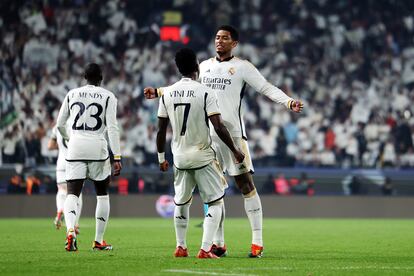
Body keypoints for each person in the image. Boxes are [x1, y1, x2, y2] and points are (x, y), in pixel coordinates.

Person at [145, 25, 303, 258]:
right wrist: (158, 91)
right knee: (213, 192)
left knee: (245, 185)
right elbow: (185, 85)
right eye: (217, 37)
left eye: (225, 38)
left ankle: (257, 241)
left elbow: (266, 87)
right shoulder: (204, 66)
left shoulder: (242, 67)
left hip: (233, 135)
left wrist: (288, 102)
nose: (219, 41)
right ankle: (218, 243)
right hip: (207, 139)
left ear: (234, 43)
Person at [156, 48, 244, 258]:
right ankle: (205, 249)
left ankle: (180, 246)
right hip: (202, 156)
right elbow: (219, 126)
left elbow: (161, 130)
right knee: (215, 201)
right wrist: (235, 149)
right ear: (197, 67)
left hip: (179, 157)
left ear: (178, 68)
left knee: (181, 201)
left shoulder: (167, 92)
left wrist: (161, 157)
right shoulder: (205, 91)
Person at [56, 63, 122, 252]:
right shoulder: (108, 96)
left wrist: (71, 138)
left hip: (75, 147)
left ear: (84, 76)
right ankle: (98, 241)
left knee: (72, 193)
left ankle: (70, 232)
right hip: (97, 148)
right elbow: (112, 128)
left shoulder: (72, 94)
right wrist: (116, 156)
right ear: (101, 78)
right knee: (102, 195)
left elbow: (60, 125)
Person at [48, 126, 83, 233]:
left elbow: (50, 146)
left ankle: (60, 210)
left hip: (61, 164)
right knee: (77, 194)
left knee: (62, 191)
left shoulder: (57, 126)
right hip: (74, 162)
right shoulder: (78, 124)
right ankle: (75, 224)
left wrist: (60, 146)